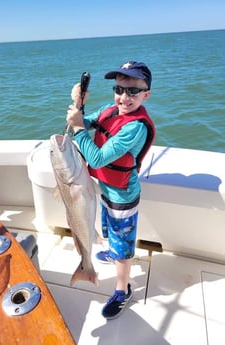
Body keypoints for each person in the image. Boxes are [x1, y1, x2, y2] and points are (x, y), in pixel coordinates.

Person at [66, 61, 155, 319]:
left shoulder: (135, 127)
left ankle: (123, 289)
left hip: (123, 197)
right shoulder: (111, 109)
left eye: (132, 92)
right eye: (119, 89)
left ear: (145, 94)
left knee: (122, 246)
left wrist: (79, 127)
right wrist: (79, 106)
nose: (124, 97)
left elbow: (96, 159)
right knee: (109, 231)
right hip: (105, 190)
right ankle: (113, 250)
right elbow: (92, 121)